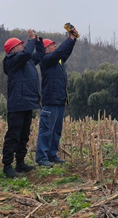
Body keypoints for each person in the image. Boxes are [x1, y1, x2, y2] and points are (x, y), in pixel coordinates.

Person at [1, 29, 44, 178]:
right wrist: (31, 40)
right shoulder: (11, 60)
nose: (23, 46)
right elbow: (26, 53)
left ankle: (20, 162)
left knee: (24, 135)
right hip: (17, 104)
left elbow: (39, 55)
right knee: (14, 135)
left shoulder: (26, 60)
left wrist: (38, 42)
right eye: (20, 44)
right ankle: (7, 166)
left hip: (28, 103)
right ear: (13, 49)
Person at [35, 27, 78, 167]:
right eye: (52, 45)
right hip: (51, 101)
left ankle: (52, 155)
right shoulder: (46, 59)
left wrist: (73, 40)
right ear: (46, 49)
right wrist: (70, 38)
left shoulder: (57, 61)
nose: (55, 46)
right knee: (46, 130)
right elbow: (60, 52)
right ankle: (42, 157)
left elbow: (64, 52)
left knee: (56, 131)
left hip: (59, 100)